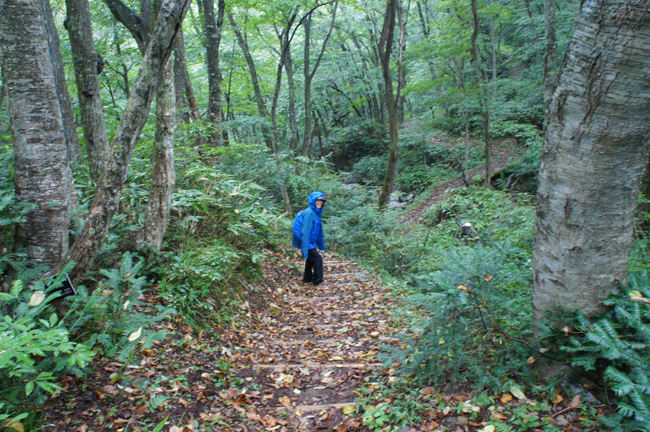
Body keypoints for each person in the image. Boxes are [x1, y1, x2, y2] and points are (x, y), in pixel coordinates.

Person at [292, 191, 327, 285]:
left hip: (311, 241)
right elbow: (305, 232)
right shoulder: (309, 213)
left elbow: (319, 231)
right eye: (318, 201)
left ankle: (307, 278)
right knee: (317, 259)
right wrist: (305, 247)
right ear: (313, 201)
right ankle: (318, 280)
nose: (320, 203)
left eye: (321, 201)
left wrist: (321, 245)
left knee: (311, 259)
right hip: (307, 241)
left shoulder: (316, 213)